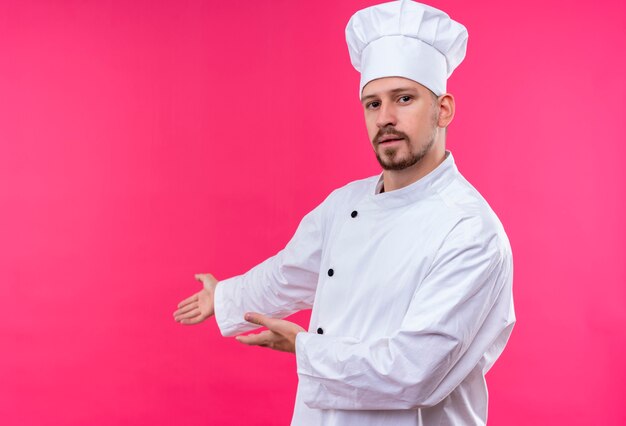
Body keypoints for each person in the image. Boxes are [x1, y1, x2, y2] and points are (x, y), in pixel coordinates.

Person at [173, 1, 515, 424]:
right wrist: (224, 297)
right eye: (372, 104)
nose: (386, 119)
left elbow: (414, 373)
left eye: (403, 99)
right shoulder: (344, 205)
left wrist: (305, 350)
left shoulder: (470, 231)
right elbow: (288, 273)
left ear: (443, 109)